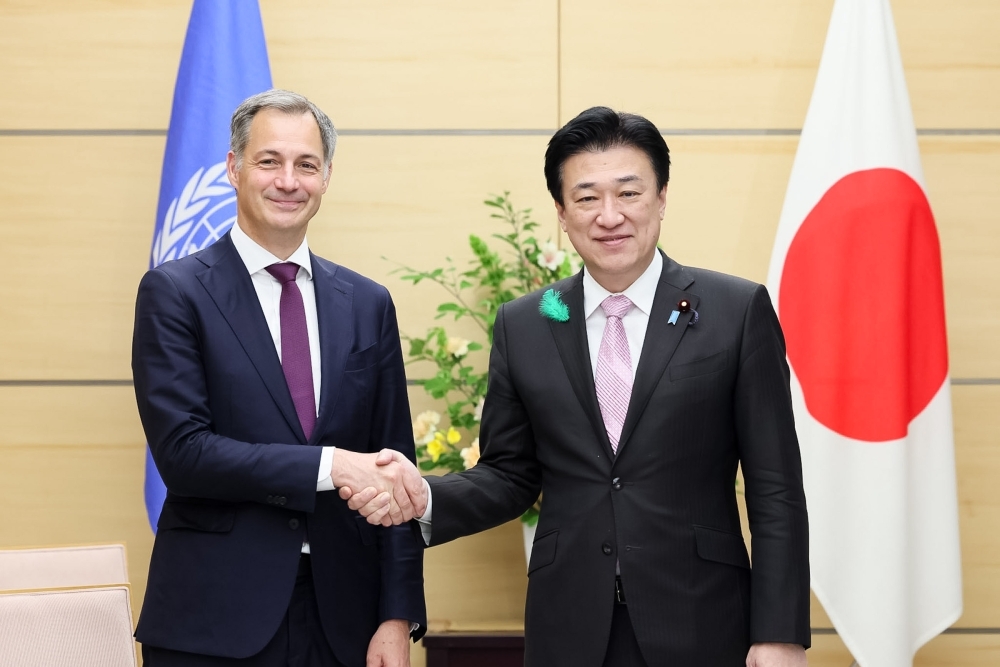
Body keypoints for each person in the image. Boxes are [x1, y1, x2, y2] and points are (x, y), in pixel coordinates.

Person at [343, 107, 810, 666]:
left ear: (661, 198)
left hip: (703, 620)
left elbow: (776, 489)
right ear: (562, 214)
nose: (609, 215)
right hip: (569, 626)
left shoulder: (735, 311)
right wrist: (427, 498)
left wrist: (779, 633)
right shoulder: (525, 323)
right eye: (587, 197)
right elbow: (510, 474)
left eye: (628, 192)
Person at [132, 89, 426, 667]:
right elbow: (185, 454)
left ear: (327, 177)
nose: (288, 180)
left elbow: (395, 467)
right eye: (269, 161)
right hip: (214, 619)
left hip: (345, 621)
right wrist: (331, 465)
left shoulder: (368, 303)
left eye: (306, 165)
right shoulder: (175, 294)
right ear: (234, 168)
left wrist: (397, 615)